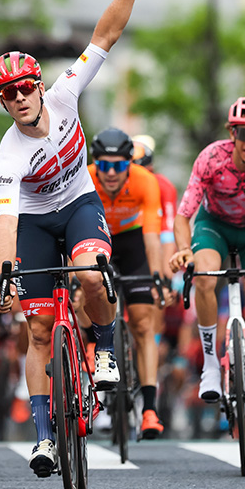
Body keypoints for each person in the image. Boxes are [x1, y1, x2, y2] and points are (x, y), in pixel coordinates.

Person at [0, 0, 155, 477]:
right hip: (36, 223)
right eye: (7, 95)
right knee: (39, 331)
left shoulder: (64, 94)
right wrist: (6, 271)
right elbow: (7, 220)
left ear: (39, 85)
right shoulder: (10, 153)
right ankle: (43, 438)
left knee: (89, 274)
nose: (19, 98)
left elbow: (105, 35)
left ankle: (103, 348)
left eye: (24, 88)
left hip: (80, 202)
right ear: (2, 103)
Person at [167, 95, 245, 427]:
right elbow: (183, 216)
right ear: (231, 133)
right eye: (243, 132)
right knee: (204, 277)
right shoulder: (211, 157)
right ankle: (210, 366)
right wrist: (184, 249)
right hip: (215, 226)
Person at [86, 127, 166, 438]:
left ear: (129, 164)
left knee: (144, 323)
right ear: (95, 164)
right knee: (83, 298)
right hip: (97, 238)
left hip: (133, 243)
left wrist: (157, 276)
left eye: (118, 166)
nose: (110, 173)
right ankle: (92, 359)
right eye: (103, 165)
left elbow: (152, 236)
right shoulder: (85, 178)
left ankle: (149, 409)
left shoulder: (145, 181)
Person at [132, 134, 179, 267]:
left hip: (157, 235)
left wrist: (166, 272)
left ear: (150, 169)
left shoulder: (164, 186)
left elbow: (168, 229)